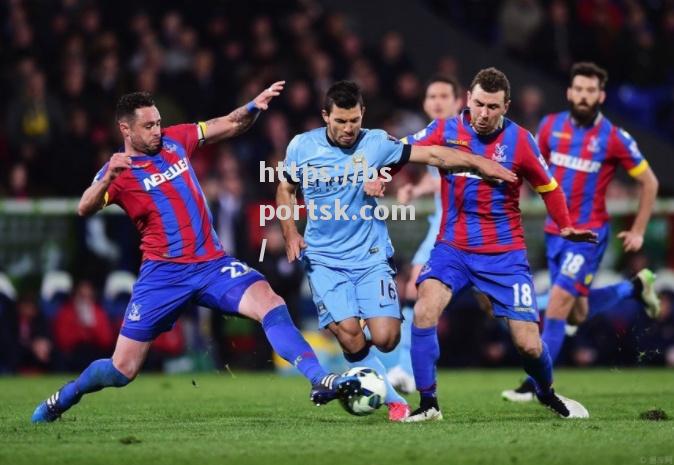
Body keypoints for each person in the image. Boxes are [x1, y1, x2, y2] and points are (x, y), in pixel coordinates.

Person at [31, 83, 363, 423]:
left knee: (271, 302)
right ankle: (66, 396)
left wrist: (253, 106)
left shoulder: (177, 140)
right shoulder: (119, 170)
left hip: (211, 265)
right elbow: (84, 208)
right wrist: (106, 179)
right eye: (148, 126)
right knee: (122, 369)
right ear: (125, 129)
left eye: (158, 122)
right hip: (163, 275)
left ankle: (319, 379)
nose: (157, 130)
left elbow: (230, 124)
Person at [276, 80, 516, 421]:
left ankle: (367, 373)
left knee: (387, 338)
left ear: (363, 115)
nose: (348, 129)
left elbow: (433, 153)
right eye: (340, 121)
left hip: (370, 256)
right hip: (324, 260)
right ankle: (393, 400)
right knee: (350, 338)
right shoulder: (302, 146)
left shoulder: (376, 143)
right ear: (325, 116)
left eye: (354, 121)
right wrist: (289, 234)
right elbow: (285, 189)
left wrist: (479, 163)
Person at [402, 67, 597, 422]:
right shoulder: (445, 130)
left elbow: (549, 187)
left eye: (493, 107)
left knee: (528, 344)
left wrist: (566, 226)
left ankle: (546, 392)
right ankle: (428, 404)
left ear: (506, 105)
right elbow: (403, 150)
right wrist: (379, 174)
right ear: (467, 100)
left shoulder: (521, 141)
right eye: (478, 104)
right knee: (424, 308)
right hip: (453, 249)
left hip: (504, 255)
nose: (484, 113)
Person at [502, 62, 660, 401]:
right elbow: (531, 168)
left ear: (601, 95)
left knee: (558, 305)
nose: (585, 96)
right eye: (579, 89)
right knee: (578, 310)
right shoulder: (548, 127)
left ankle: (537, 385)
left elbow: (650, 182)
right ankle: (634, 288)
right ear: (569, 92)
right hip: (554, 231)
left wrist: (638, 230)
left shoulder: (615, 138)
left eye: (591, 91)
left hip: (589, 235)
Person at [366, 76, 463, 394]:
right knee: (414, 289)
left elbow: (458, 177)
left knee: (497, 309)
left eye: (444, 95)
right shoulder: (434, 133)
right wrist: (413, 186)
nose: (437, 101)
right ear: (424, 103)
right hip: (441, 226)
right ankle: (407, 369)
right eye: (431, 95)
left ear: (458, 101)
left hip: (473, 229)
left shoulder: (469, 133)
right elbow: (420, 162)